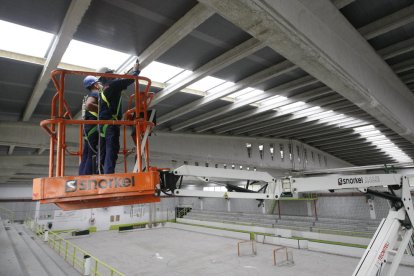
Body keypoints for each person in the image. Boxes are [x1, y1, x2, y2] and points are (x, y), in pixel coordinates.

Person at [98, 60, 141, 174]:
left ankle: (101, 172)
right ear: (107, 75)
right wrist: (135, 70)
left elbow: (120, 83)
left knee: (104, 151)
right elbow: (129, 80)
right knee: (112, 149)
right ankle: (108, 174)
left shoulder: (104, 89)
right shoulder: (113, 85)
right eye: (111, 73)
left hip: (102, 124)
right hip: (111, 124)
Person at [78, 76, 101, 175]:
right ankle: (87, 175)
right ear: (95, 84)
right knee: (92, 152)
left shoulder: (88, 95)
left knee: (87, 152)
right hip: (93, 126)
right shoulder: (95, 93)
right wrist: (102, 110)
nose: (100, 85)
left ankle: (82, 174)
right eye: (98, 83)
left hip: (88, 126)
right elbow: (89, 105)